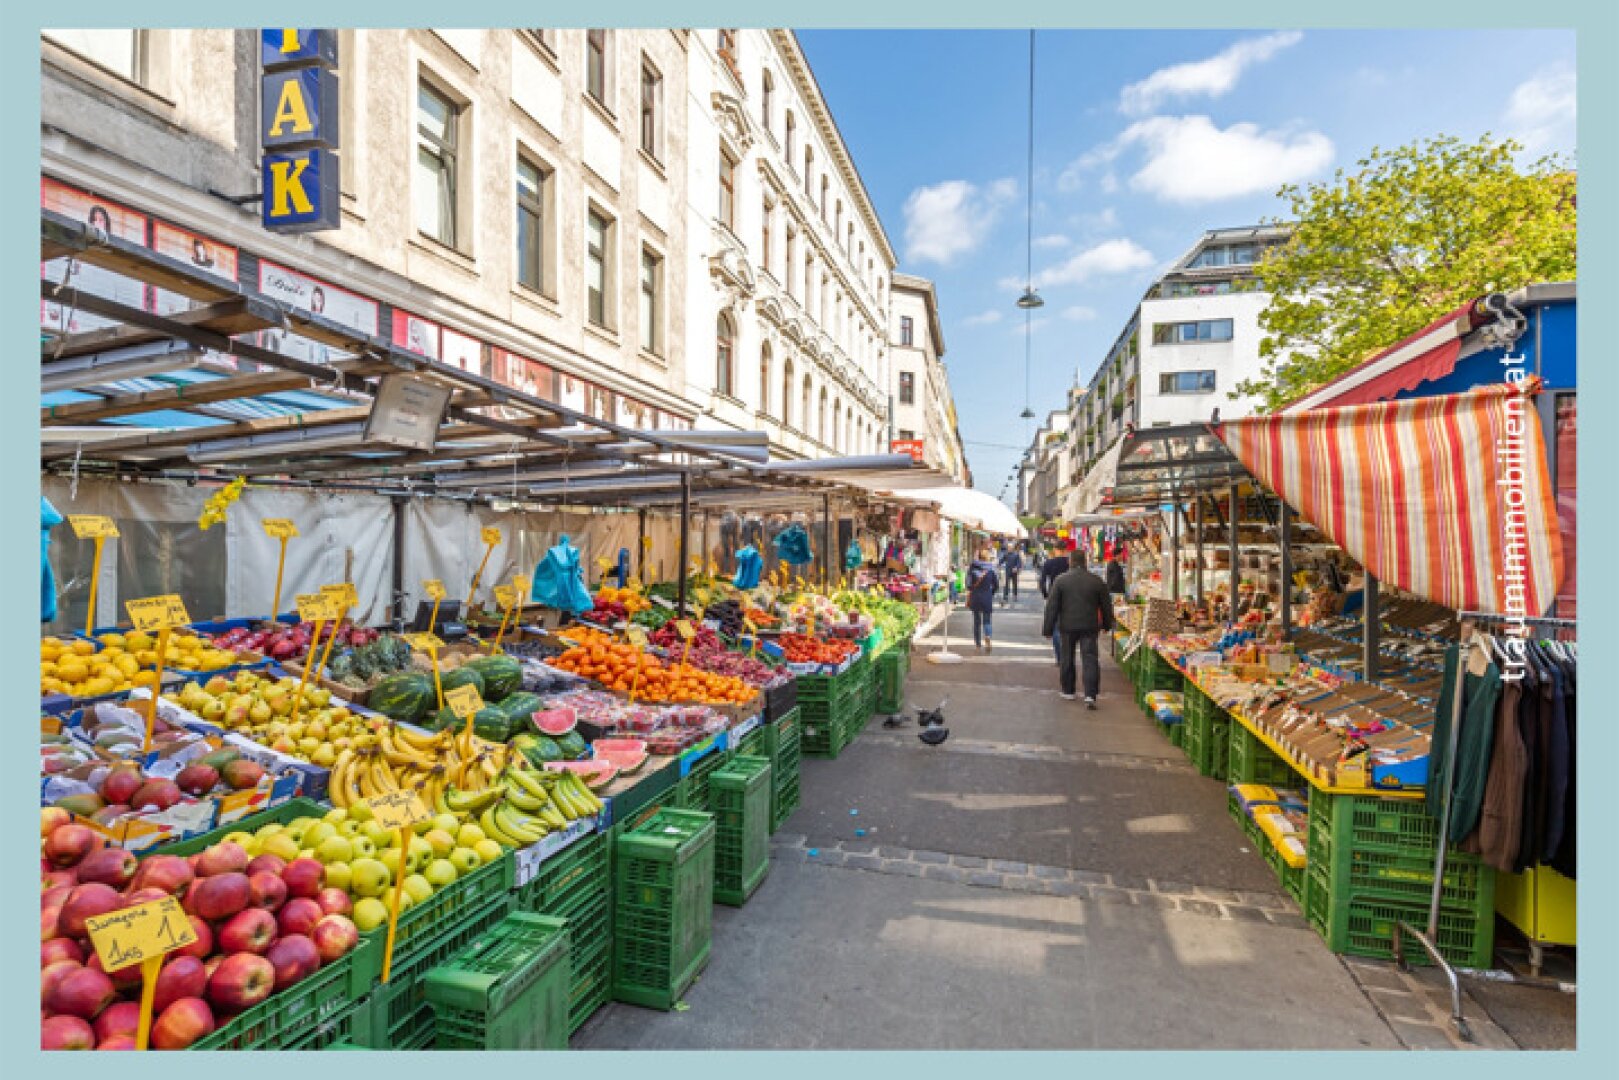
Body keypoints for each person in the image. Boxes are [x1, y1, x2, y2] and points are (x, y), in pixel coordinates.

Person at [1042, 550, 1116, 708]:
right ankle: (1090, 694)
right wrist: (1107, 624)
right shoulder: (1096, 581)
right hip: (1089, 626)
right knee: (1090, 658)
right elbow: (1106, 606)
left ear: (1070, 562)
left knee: (1067, 657)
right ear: (1085, 562)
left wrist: (1048, 629)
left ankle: (1068, 690)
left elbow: (1052, 607)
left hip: (1067, 625)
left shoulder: (1061, 581)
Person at [965, 546, 999, 653]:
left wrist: (972, 589)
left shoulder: (973, 568)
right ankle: (988, 636)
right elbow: (996, 585)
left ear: (978, 557)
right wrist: (990, 593)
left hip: (975, 597)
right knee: (987, 620)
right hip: (987, 597)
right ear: (987, 557)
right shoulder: (992, 568)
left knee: (976, 622)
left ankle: (978, 644)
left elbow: (968, 584)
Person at [1038, 550, 1069, 664]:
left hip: (1054, 596)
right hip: (1068, 597)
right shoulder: (1069, 563)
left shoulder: (1049, 563)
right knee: (1067, 628)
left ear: (1055, 549)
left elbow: (1042, 581)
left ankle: (1059, 658)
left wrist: (1046, 594)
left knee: (1056, 628)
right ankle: (1066, 655)